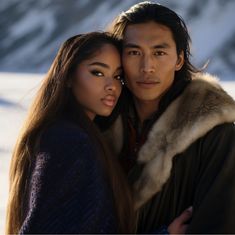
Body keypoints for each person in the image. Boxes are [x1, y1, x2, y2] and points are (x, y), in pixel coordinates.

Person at [5, 31, 191, 234]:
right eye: (98, 73)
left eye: (118, 76)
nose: (111, 86)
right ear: (67, 76)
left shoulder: (63, 133)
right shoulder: (69, 141)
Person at [97, 1, 235, 233]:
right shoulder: (97, 126)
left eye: (159, 52)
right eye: (134, 52)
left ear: (179, 60)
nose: (147, 66)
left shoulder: (218, 137)